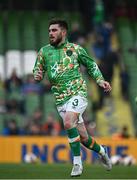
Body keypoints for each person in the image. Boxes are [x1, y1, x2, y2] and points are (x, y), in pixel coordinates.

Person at [33, 19, 112, 177]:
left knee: (68, 122)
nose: (51, 33)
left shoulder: (76, 49)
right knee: (84, 138)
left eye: (54, 30)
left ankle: (77, 163)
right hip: (60, 100)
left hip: (78, 93)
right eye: (49, 31)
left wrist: (100, 80)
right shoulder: (44, 52)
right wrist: (37, 75)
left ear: (63, 32)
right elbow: (37, 71)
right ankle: (103, 151)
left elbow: (91, 65)